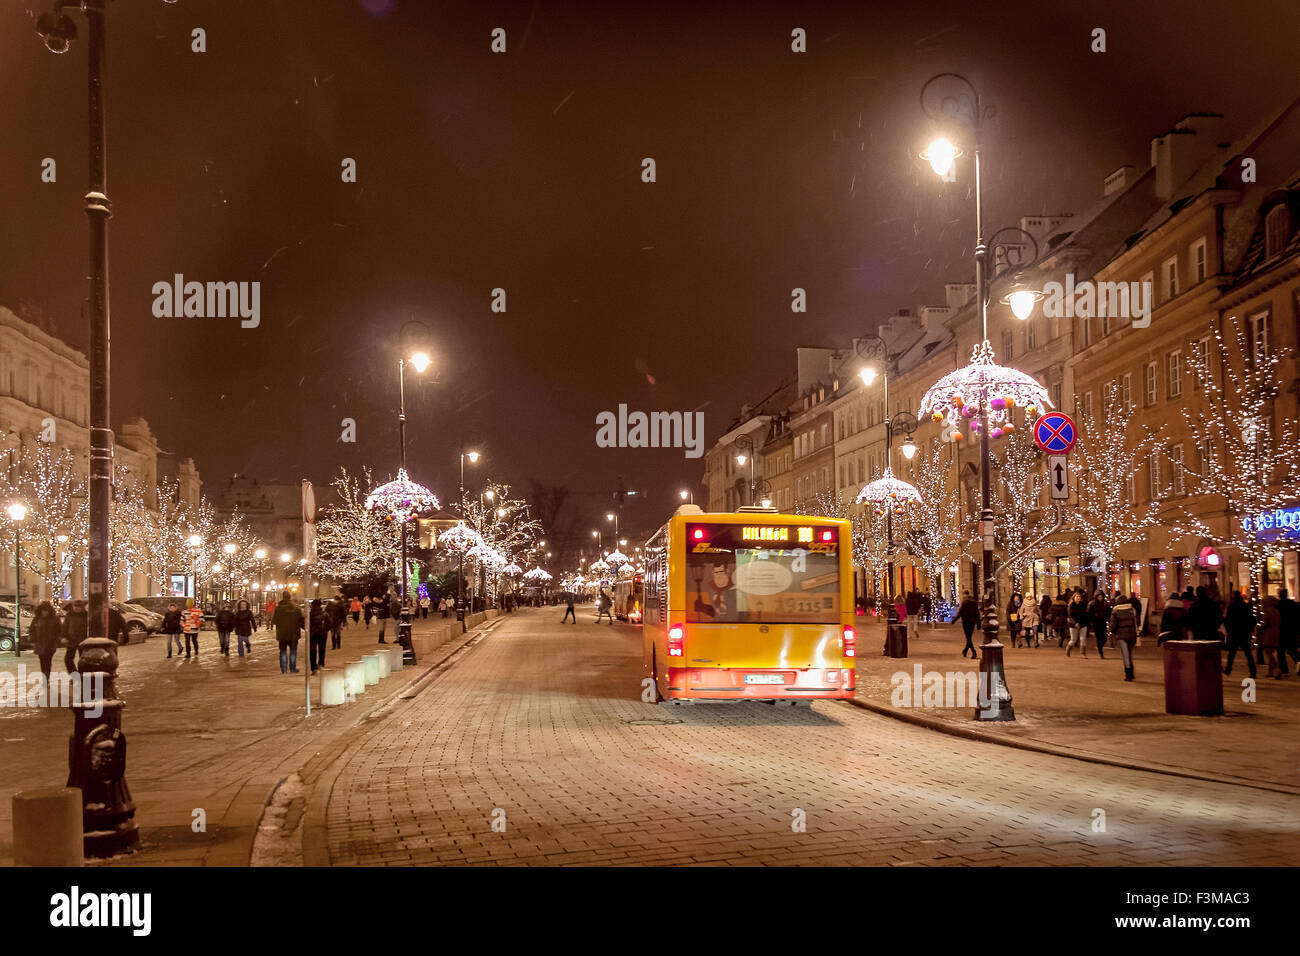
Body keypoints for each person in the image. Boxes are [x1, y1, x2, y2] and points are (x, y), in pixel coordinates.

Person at [1223, 591, 1257, 679]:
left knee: (1232, 652)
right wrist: (1250, 629)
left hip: (1234, 632)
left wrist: (1228, 630)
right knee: (1248, 652)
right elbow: (1251, 619)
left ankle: (1228, 669)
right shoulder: (1246, 606)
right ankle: (1253, 671)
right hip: (1244, 632)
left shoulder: (1231, 607)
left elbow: (1228, 620)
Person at [29, 601, 62, 686]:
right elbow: (32, 630)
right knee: (43, 662)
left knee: (47, 661)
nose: (45, 612)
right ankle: (45, 678)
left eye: (47, 610)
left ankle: (46, 679)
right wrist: (33, 639)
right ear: (41, 610)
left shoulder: (55, 619)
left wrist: (56, 639)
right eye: (44, 610)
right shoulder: (37, 619)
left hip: (50, 644)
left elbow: (60, 631)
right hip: (40, 644)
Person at [272, 590, 304, 674]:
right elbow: (301, 620)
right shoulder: (296, 608)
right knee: (293, 651)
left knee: (283, 651)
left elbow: (274, 621)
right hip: (294, 634)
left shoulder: (278, 609)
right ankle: (292, 668)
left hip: (282, 634)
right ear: (290, 597)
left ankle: (284, 669)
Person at [1109, 596, 1139, 680]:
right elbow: (1137, 622)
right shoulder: (1132, 610)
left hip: (1121, 635)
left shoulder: (1115, 611)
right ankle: (1132, 672)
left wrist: (1113, 632)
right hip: (1132, 635)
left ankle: (1128, 674)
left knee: (1125, 655)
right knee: (1129, 654)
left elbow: (1113, 625)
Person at [1257, 594, 1284, 678]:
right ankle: (1270, 671)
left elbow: (1265, 622)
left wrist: (1259, 627)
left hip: (1268, 632)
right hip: (1276, 631)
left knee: (1268, 652)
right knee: (1271, 651)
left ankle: (1277, 669)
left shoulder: (1267, 611)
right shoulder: (1276, 611)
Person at [1276, 588, 1300, 675]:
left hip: (1283, 630)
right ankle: (1298, 662)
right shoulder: (1293, 604)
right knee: (1291, 650)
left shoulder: (1279, 605)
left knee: (1281, 651)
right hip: (1292, 630)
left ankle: (1284, 669)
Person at [62, 599, 88, 673]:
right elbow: (65, 627)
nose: (76, 608)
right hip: (71, 639)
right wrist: (63, 637)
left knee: (83, 659)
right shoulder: (69, 615)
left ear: (82, 607)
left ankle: (82, 673)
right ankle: (74, 674)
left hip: (83, 640)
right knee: (68, 659)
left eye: (79, 606)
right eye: (75, 606)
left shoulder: (86, 615)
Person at [308, 598, 329, 674]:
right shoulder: (324, 613)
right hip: (322, 634)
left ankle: (313, 668)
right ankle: (321, 664)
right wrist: (325, 630)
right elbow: (330, 623)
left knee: (312, 651)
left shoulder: (309, 614)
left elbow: (304, 624)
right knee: (322, 650)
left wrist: (308, 630)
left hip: (312, 634)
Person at [957, 591, 980, 658]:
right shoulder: (974, 603)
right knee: (969, 637)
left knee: (968, 638)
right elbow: (977, 613)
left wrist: (954, 620)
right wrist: (978, 623)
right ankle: (965, 650)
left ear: (965, 595)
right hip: (972, 622)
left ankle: (974, 652)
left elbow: (960, 612)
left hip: (965, 622)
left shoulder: (965, 602)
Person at [1088, 590, 1110, 658]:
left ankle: (1100, 646)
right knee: (1099, 637)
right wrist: (1091, 621)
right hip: (1096, 623)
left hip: (1103, 622)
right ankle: (1101, 652)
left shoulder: (1105, 603)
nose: (1100, 598)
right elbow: (1089, 613)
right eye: (1099, 597)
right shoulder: (1092, 604)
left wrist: (1108, 619)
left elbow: (1108, 612)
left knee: (1105, 637)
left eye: (1101, 596)